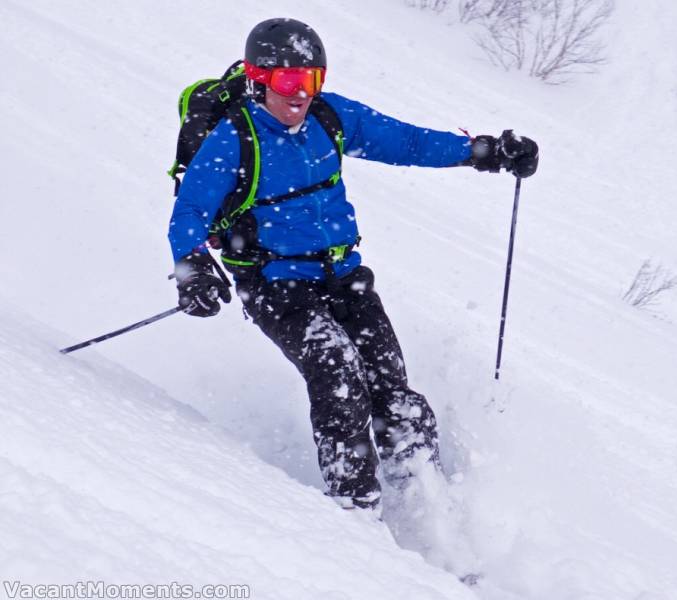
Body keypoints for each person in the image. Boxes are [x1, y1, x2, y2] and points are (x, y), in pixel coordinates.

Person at [168, 18, 538, 511]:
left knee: (392, 388)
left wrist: (482, 152)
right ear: (259, 79)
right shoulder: (235, 140)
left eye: (312, 80)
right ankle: (356, 516)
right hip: (276, 286)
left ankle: (428, 508)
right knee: (338, 378)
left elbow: (406, 142)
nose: (302, 94)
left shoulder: (330, 117)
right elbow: (188, 212)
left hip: (344, 277)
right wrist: (193, 267)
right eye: (289, 82)